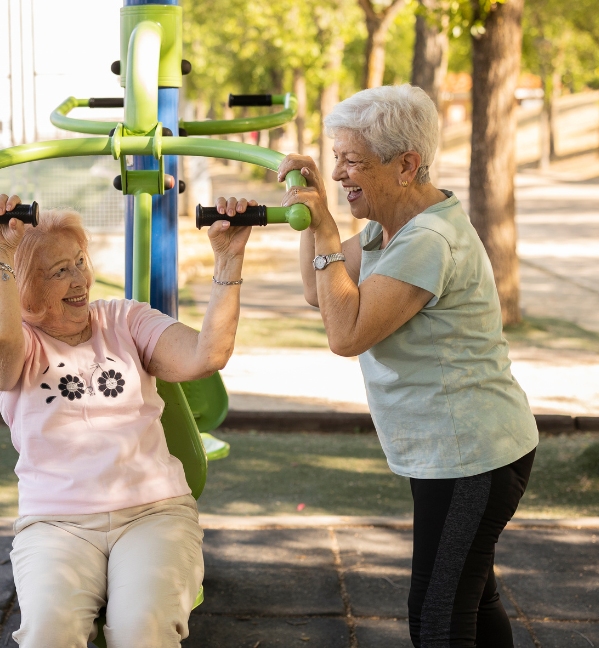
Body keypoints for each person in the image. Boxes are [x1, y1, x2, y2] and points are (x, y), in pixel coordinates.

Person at [218, 84, 538, 648]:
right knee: (472, 598)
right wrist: (308, 209)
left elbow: (346, 334)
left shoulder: (429, 241)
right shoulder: (385, 229)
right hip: (456, 453)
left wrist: (320, 227)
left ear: (406, 165)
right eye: (336, 159)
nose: (341, 174)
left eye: (353, 161)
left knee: (437, 616)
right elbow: (320, 292)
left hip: (472, 459)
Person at [0, 192, 252, 648]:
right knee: (48, 634)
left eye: (80, 261)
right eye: (58, 271)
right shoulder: (19, 346)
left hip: (154, 512)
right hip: (55, 522)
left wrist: (227, 260)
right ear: (23, 290)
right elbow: (0, 340)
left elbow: (207, 355)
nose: (79, 279)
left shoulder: (124, 319)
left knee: (142, 631)